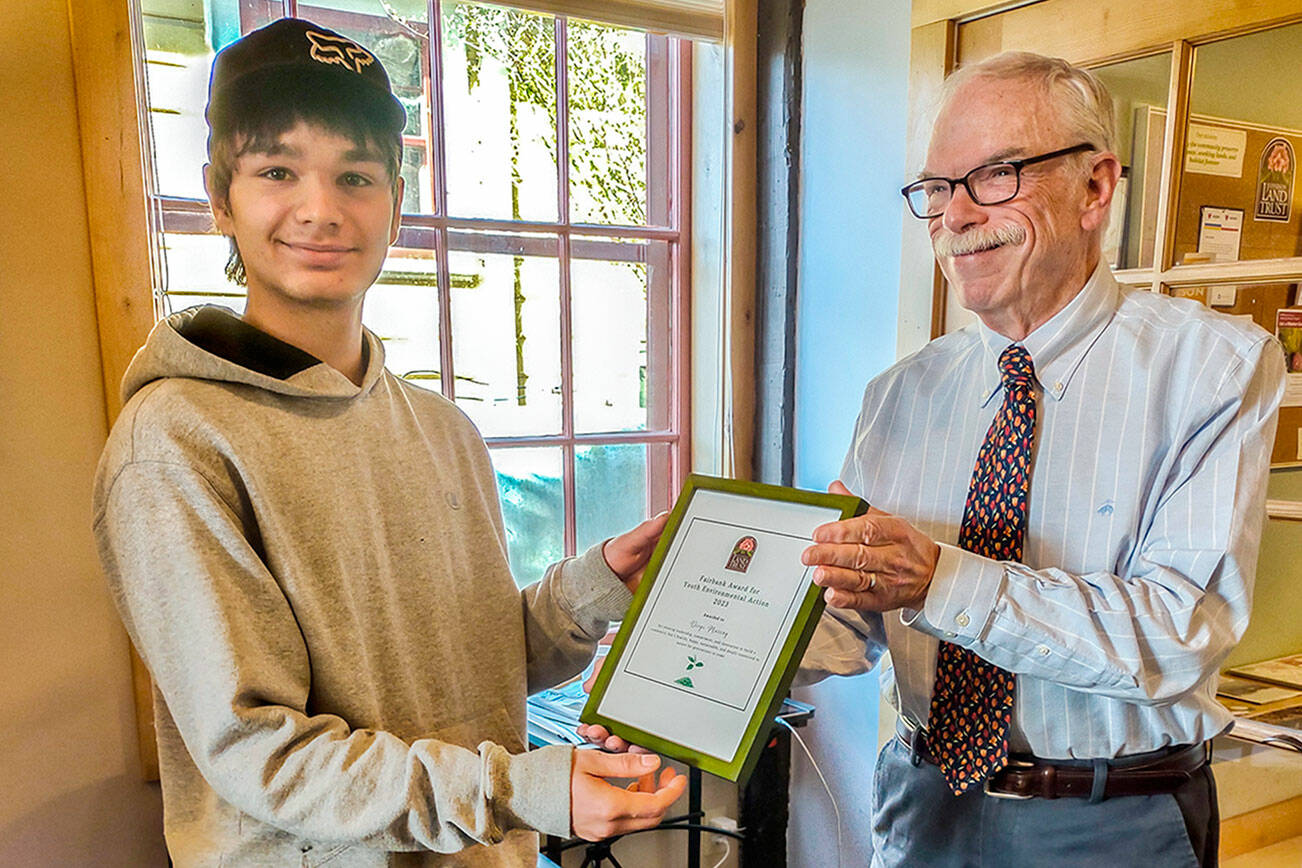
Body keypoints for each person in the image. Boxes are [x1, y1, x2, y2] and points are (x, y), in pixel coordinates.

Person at [92, 18, 683, 866]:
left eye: (356, 176)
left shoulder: (443, 430)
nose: (321, 210)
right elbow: (261, 751)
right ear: (221, 197)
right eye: (277, 171)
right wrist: (522, 790)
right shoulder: (176, 442)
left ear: (395, 203)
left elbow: (473, 674)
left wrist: (592, 590)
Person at [792, 51, 1286, 867]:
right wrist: (690, 668)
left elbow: (1178, 632)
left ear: (1096, 187)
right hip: (922, 804)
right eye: (938, 189)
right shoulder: (898, 394)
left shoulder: (1216, 369)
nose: (955, 216)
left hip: (1112, 820)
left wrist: (938, 580)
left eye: (994, 175)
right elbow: (855, 620)